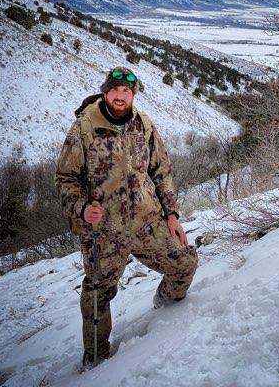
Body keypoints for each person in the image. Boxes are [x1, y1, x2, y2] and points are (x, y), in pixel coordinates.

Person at [55, 66, 198, 366]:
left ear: (133, 95)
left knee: (185, 264)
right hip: (104, 231)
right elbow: (65, 179)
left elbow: (162, 171)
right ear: (105, 91)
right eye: (115, 90)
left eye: (126, 91)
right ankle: (96, 361)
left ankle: (165, 305)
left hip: (147, 223)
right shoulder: (84, 129)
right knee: (97, 295)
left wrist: (172, 214)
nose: (120, 96)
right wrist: (82, 208)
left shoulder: (143, 125)